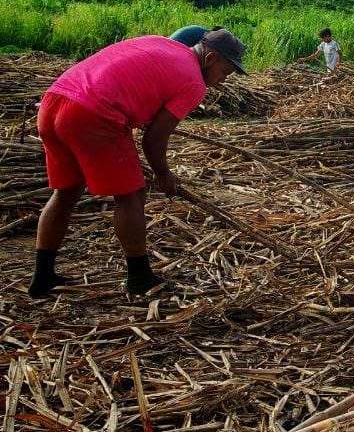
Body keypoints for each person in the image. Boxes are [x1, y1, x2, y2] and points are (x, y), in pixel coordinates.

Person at [28, 29, 247, 298]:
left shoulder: (159, 42)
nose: (223, 81)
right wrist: (163, 174)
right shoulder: (194, 83)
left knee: (66, 192)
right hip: (93, 114)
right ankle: (139, 277)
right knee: (131, 195)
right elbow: (154, 138)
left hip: (54, 103)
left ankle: (42, 276)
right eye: (225, 72)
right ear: (211, 58)